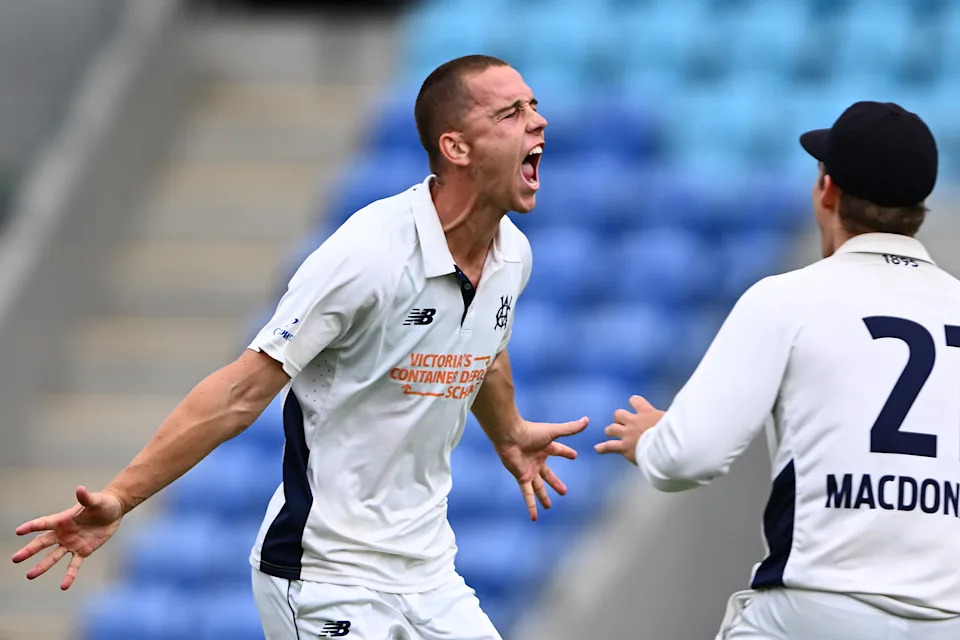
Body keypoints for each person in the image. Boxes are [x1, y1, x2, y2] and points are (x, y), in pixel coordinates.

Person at [12, 54, 588, 640]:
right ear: (457, 148)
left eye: (534, 107)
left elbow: (483, 346)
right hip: (321, 574)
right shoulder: (368, 255)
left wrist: (509, 430)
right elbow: (239, 393)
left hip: (430, 573)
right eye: (511, 112)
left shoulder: (513, 256)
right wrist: (119, 496)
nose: (537, 122)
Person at [596, 101, 960, 639]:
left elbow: (689, 457)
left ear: (827, 190)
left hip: (813, 611)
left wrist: (652, 441)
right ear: (919, 207)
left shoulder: (787, 298)